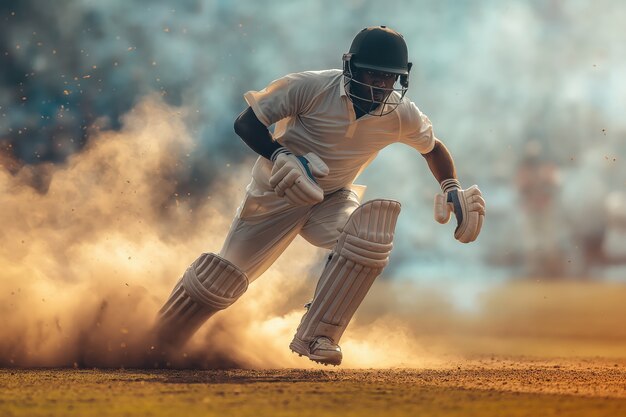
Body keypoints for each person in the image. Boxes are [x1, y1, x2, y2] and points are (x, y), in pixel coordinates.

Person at [153, 26, 486, 366]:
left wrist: (450, 187)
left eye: (388, 79)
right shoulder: (310, 87)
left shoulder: (400, 113)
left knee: (366, 236)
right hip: (277, 192)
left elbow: (433, 148)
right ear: (351, 67)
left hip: (333, 197)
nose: (378, 86)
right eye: (371, 73)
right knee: (222, 278)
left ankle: (319, 335)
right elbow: (246, 123)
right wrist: (280, 155)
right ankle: (158, 339)